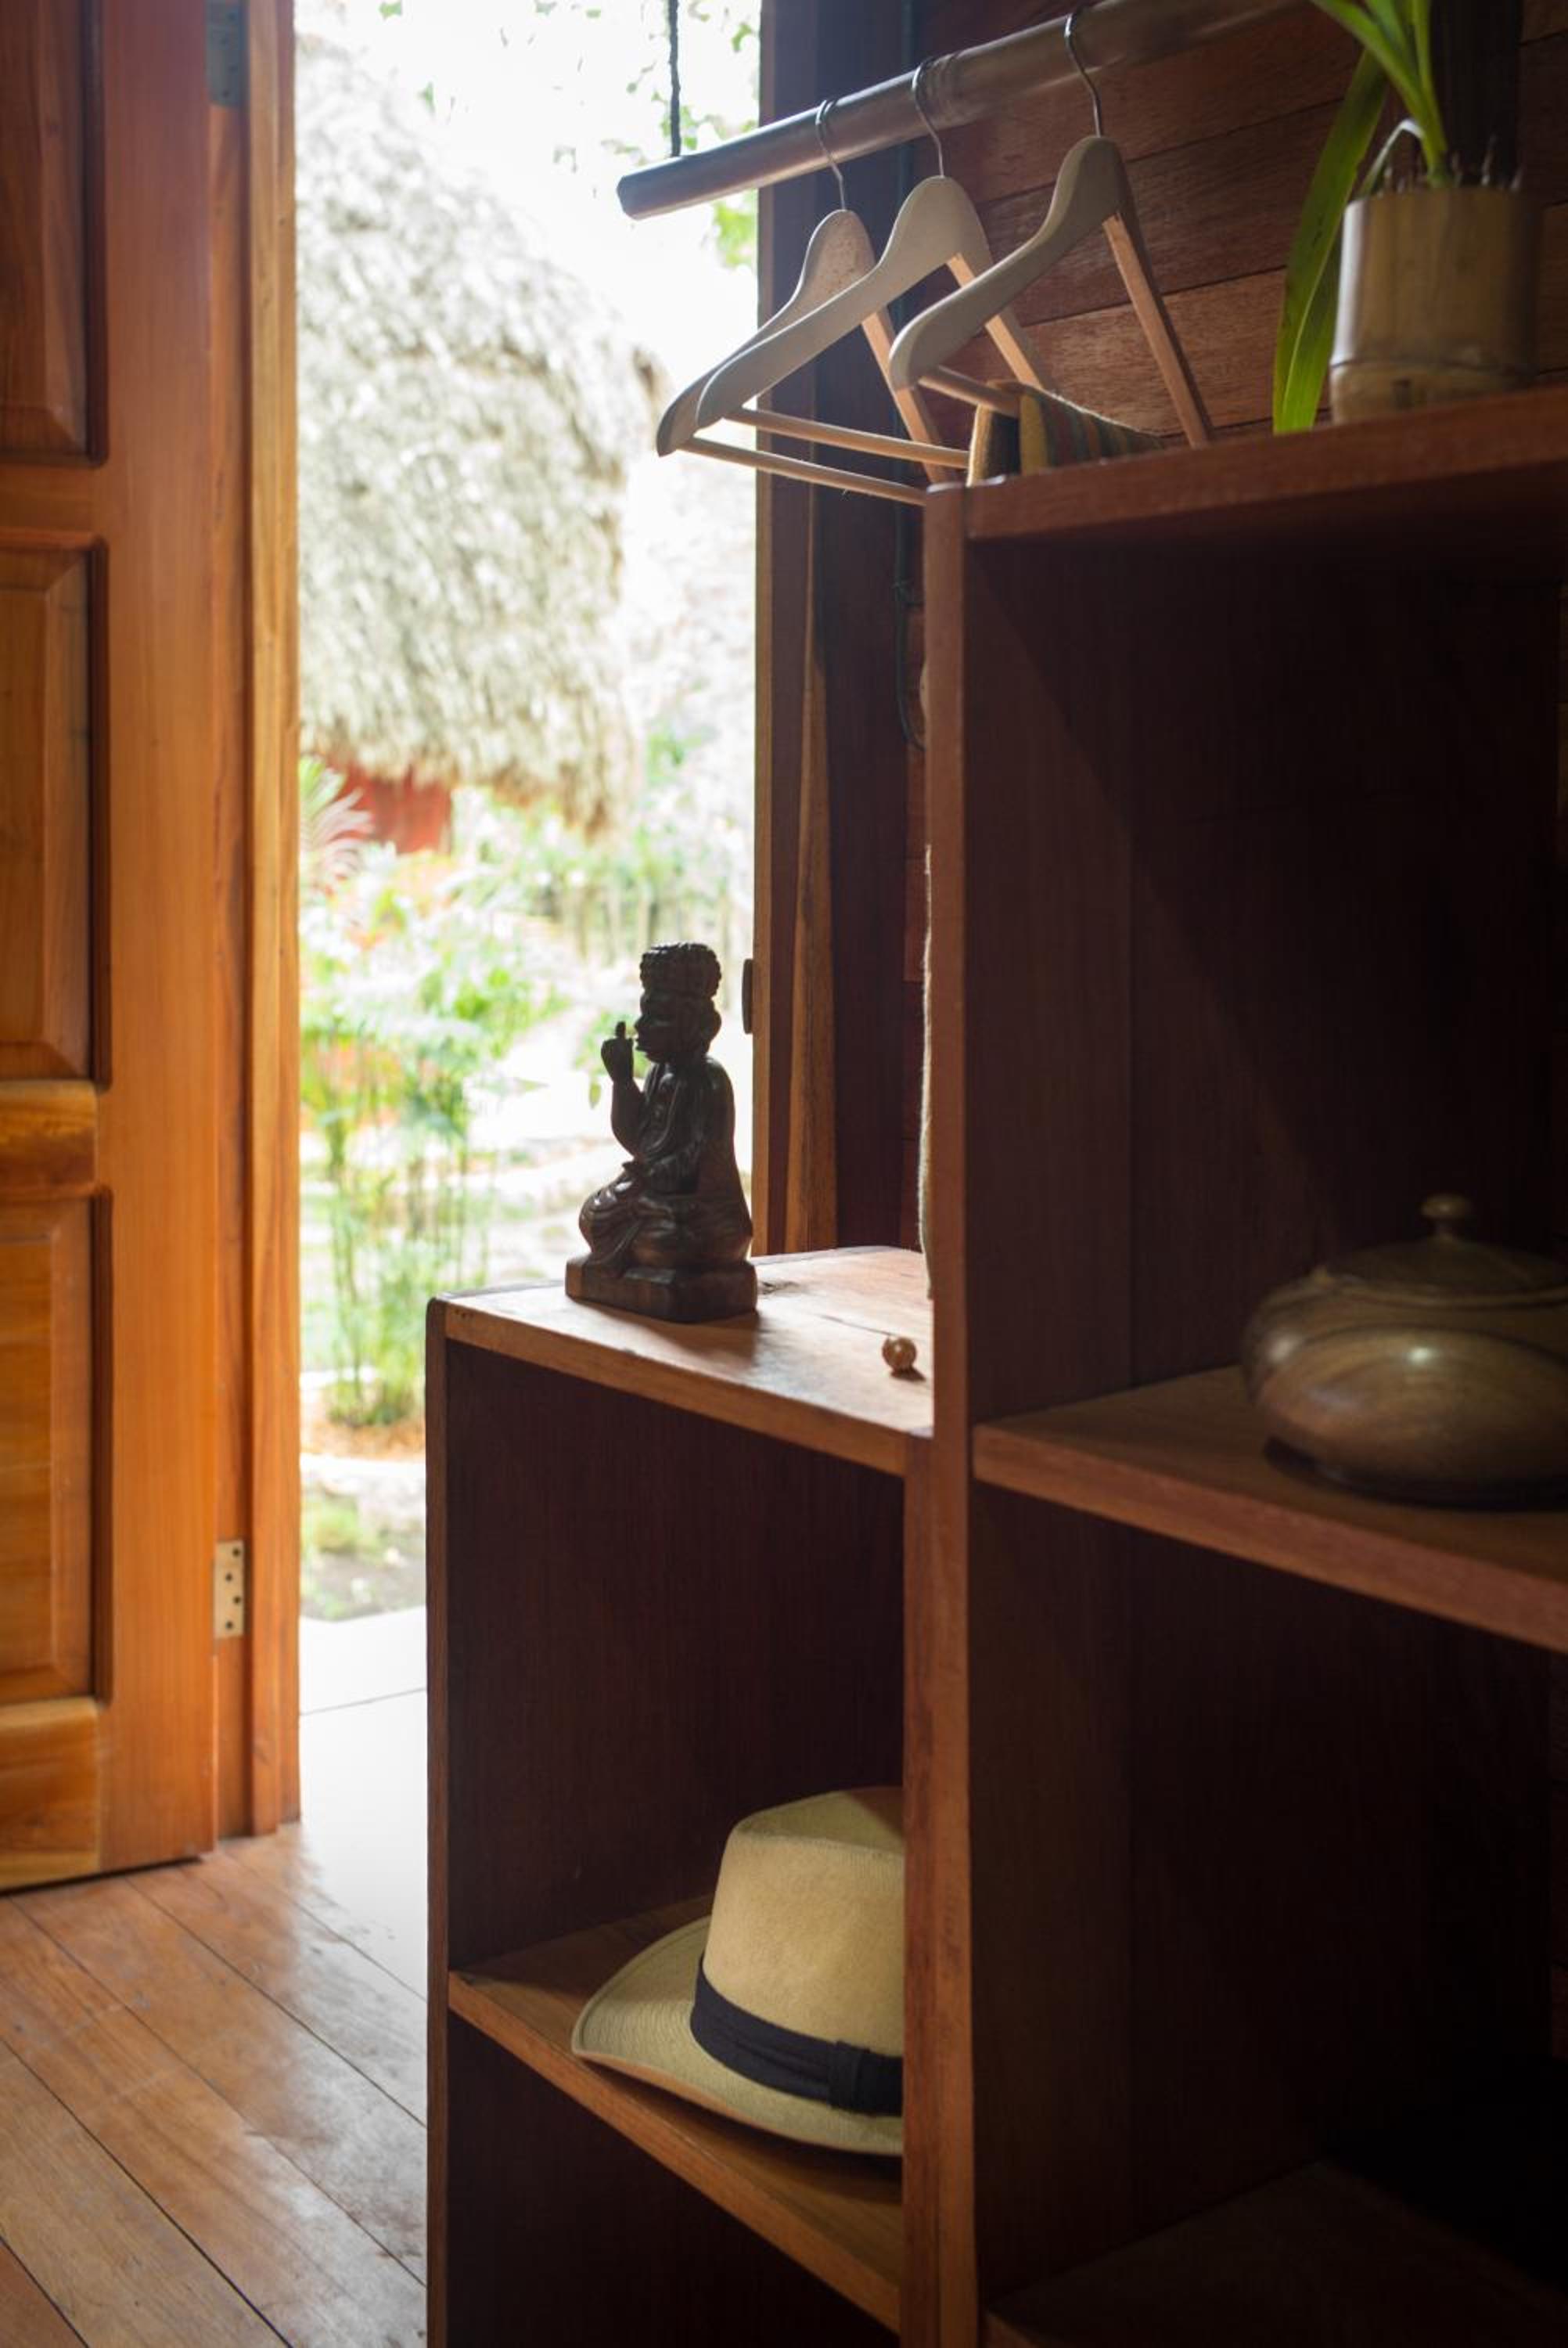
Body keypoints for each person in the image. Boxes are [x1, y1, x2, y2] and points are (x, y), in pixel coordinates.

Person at [578, 942, 752, 1279]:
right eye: (644, 1013)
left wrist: (651, 1177)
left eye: (658, 1017)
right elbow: (640, 1142)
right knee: (594, 1212)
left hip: (703, 1211)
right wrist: (623, 1082)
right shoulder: (659, 1073)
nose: (641, 1025)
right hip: (658, 1198)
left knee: (671, 1239)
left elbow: (693, 1161)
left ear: (697, 1024)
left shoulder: (708, 1081)